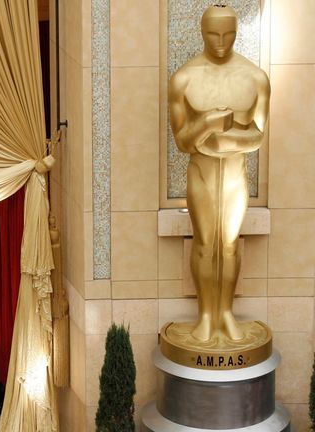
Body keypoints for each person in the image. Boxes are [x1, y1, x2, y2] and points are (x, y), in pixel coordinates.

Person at [168, 5, 270, 342]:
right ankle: (205, 315)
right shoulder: (184, 79)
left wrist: (222, 138)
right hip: (202, 172)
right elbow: (183, 141)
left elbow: (257, 133)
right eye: (214, 34)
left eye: (228, 34)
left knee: (228, 246)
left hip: (235, 175)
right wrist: (207, 122)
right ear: (202, 32)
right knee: (204, 243)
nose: (221, 41)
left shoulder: (255, 78)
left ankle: (225, 312)